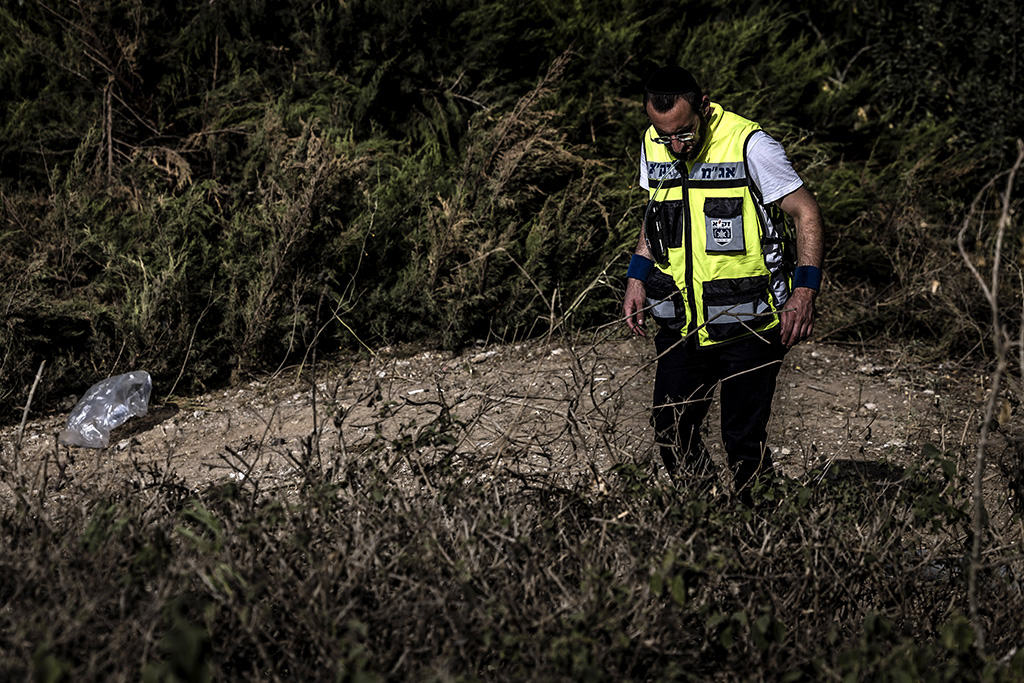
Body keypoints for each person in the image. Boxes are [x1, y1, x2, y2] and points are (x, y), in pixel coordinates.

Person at [622, 65, 823, 505]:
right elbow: (656, 213)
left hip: (751, 323)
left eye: (684, 134)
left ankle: (762, 530)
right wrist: (637, 275)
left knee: (742, 440)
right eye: (664, 136)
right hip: (683, 324)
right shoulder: (653, 145)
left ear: (704, 107)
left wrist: (804, 292)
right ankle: (708, 515)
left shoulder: (751, 144)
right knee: (670, 427)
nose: (675, 146)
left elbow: (806, 212)